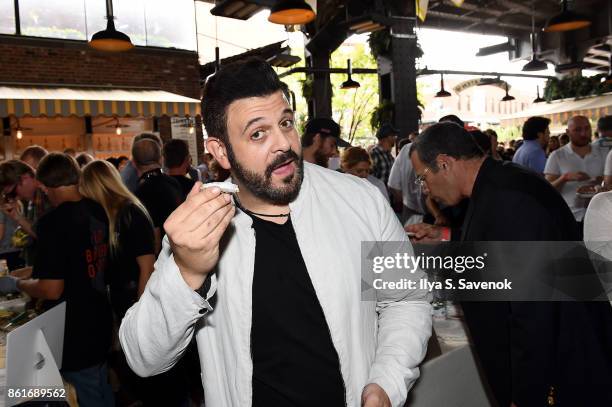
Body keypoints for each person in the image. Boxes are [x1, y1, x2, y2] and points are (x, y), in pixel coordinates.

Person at [119, 58, 431, 407]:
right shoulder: (200, 228)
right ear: (220, 151)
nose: (283, 143)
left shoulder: (360, 200)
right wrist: (188, 271)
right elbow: (144, 358)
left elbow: (405, 300)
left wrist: (387, 380)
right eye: (258, 133)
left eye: (286, 123)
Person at [406, 121, 612, 407]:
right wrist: (446, 236)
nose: (425, 189)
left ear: (444, 163)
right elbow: (502, 250)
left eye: (422, 177)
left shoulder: (508, 199)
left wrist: (525, 394)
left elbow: (533, 310)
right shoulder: (499, 183)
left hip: (563, 370)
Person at [0, 153, 114, 406]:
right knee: (102, 386)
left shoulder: (53, 222)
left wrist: (16, 283)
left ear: (44, 185)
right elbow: (75, 261)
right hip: (100, 317)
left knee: (85, 394)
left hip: (73, 329)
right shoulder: (96, 208)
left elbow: (51, 289)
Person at [79, 160, 155, 319]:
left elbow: (146, 267)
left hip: (134, 300)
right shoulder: (107, 216)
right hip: (120, 299)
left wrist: (139, 315)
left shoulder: (131, 213)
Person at [544, 115, 606, 229]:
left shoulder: (602, 153)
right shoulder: (557, 156)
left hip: (600, 215)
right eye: (577, 130)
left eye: (587, 128)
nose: (583, 133)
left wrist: (600, 181)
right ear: (568, 132)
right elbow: (548, 190)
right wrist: (564, 178)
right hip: (570, 217)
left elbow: (608, 182)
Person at [132, 138, 183, 255]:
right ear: (161, 159)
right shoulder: (174, 183)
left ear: (134, 163)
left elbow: (153, 234)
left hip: (160, 256)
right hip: (181, 247)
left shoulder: (138, 192)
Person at [388, 142, 426, 225]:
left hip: (409, 209)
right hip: (441, 212)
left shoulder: (407, 148)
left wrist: (406, 200)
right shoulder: (443, 147)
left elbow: (393, 185)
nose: (426, 190)